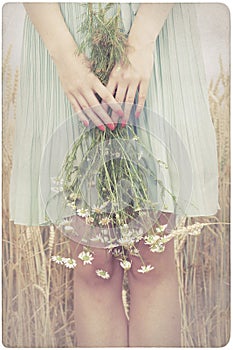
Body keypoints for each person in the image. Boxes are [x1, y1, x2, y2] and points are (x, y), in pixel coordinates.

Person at [9, 3, 219, 347]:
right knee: (93, 264)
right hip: (64, 26)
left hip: (153, 25)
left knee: (150, 257)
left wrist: (142, 40)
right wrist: (64, 56)